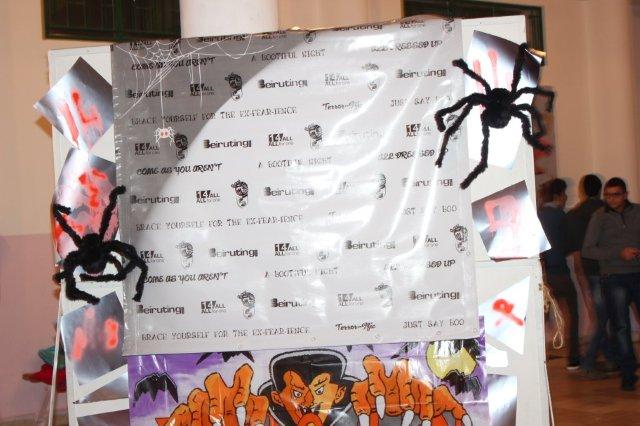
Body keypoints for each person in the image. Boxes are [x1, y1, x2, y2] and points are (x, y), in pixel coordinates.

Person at [583, 177, 640, 391]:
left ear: (625, 194)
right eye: (607, 195)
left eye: (615, 195)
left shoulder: (638, 212)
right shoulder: (599, 216)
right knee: (621, 327)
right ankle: (628, 373)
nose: (611, 199)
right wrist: (618, 253)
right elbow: (588, 250)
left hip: (637, 273)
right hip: (614, 276)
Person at [568, 175, 616, 379]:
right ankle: (600, 359)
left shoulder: (575, 214)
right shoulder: (608, 210)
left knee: (599, 315)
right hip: (608, 268)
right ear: (600, 189)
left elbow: (576, 248)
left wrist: (579, 271)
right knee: (607, 316)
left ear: (582, 190)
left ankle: (607, 357)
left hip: (587, 269)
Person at [539, 178, 581, 370]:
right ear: (558, 195)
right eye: (565, 194)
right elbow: (568, 245)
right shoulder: (559, 215)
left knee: (541, 317)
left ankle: (538, 356)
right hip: (559, 272)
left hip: (542, 273)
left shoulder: (539, 214)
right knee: (571, 313)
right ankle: (573, 357)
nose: (566, 198)